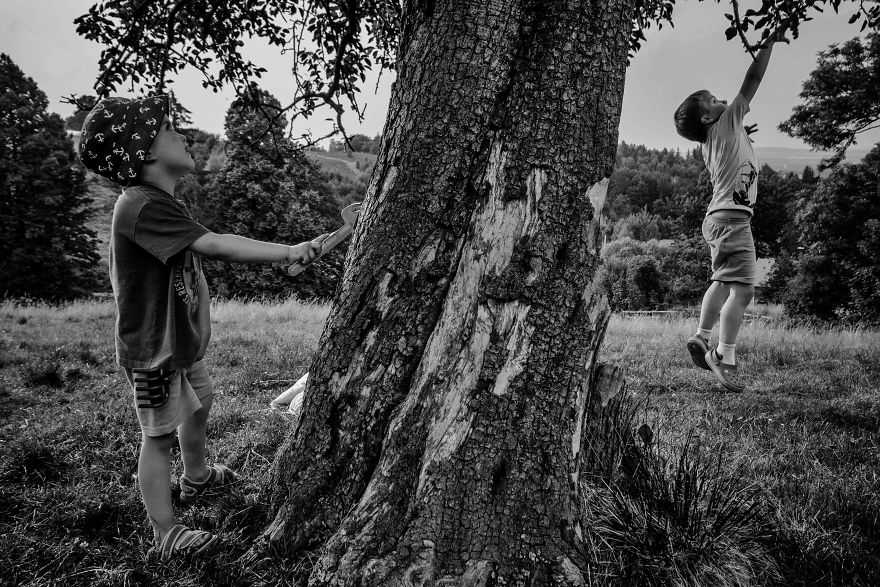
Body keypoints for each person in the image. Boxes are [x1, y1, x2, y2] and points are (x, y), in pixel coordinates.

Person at [78, 95, 324, 561]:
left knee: (202, 401)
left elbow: (192, 263)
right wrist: (291, 251)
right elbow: (215, 246)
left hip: (179, 342)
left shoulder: (162, 201)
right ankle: (166, 532)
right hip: (153, 350)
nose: (183, 135)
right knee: (158, 437)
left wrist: (202, 318)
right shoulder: (139, 205)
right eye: (170, 130)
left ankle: (196, 477)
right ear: (145, 153)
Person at [672, 29, 789, 392]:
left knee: (723, 282)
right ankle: (724, 354)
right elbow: (752, 79)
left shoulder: (711, 141)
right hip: (734, 220)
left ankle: (702, 335)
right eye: (714, 100)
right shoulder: (727, 122)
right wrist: (768, 42)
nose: (723, 99)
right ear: (708, 118)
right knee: (744, 291)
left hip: (716, 219)